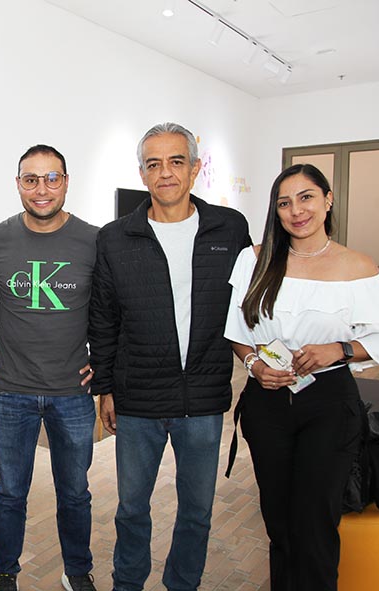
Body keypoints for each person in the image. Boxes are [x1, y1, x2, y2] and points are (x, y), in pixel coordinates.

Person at [89, 122, 251, 591]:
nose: (166, 173)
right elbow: (103, 319)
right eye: (154, 164)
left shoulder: (229, 227)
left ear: (195, 168)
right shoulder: (115, 237)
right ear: (142, 174)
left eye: (176, 161)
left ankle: (183, 584)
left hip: (202, 398)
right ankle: (128, 583)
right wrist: (105, 387)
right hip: (138, 397)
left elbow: (248, 298)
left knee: (197, 512)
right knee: (132, 509)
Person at [224, 163, 379, 590]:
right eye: (284, 202)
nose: (295, 210)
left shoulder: (357, 266)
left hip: (329, 404)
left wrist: (336, 349)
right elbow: (237, 333)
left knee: (315, 524)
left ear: (327, 200)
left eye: (306, 197)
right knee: (279, 522)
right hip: (267, 401)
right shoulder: (255, 259)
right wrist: (255, 367)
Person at [0, 145, 99, 591]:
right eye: (31, 179)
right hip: (11, 391)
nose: (41, 188)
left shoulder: (92, 239)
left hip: (73, 392)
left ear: (66, 181)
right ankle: (4, 573)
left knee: (75, 494)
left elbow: (109, 308)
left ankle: (77, 571)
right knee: (10, 493)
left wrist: (102, 360)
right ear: (18, 184)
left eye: (51, 178)